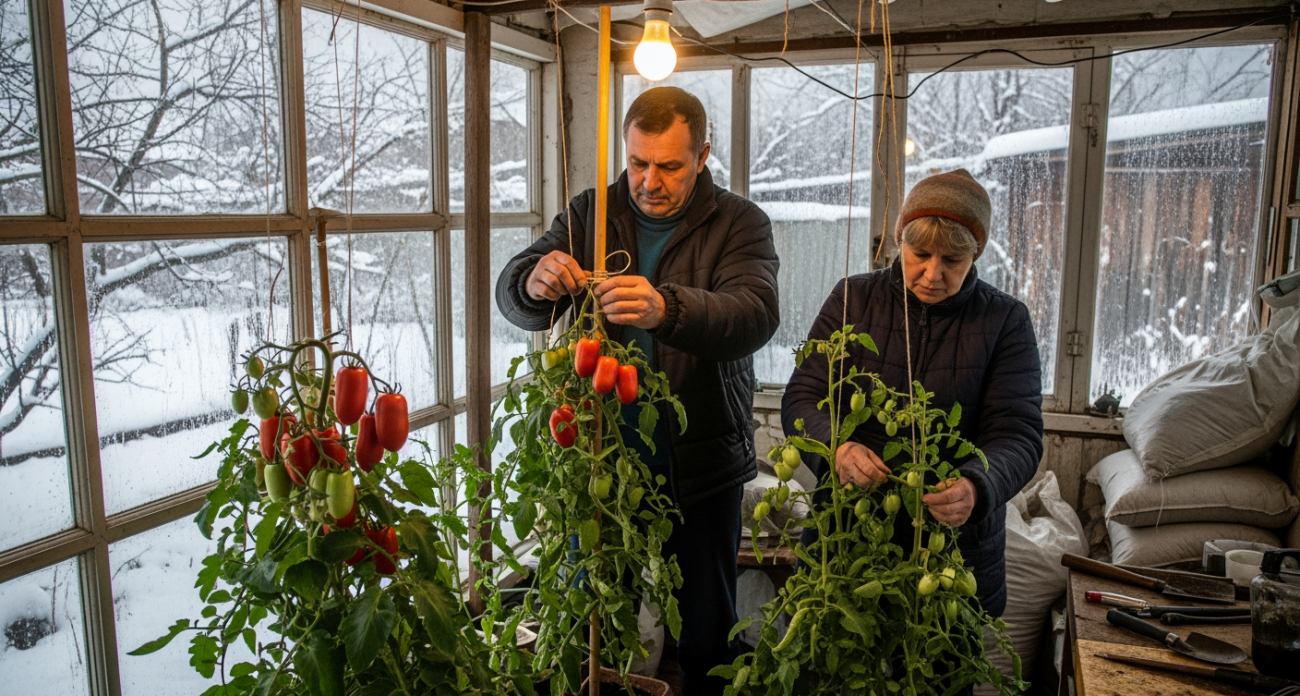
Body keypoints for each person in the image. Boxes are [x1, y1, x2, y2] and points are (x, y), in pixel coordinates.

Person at [495, 86, 780, 696]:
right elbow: (513, 293)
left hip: (699, 465)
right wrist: (533, 281)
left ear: (703, 155)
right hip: (598, 463)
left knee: (708, 632)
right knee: (588, 614)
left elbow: (754, 313)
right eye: (637, 163)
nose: (649, 181)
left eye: (669, 166)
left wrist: (666, 307)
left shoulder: (739, 223)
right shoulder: (591, 213)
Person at [782, 168, 1043, 622]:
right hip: (850, 532)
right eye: (919, 254)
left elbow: (1018, 435)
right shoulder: (853, 300)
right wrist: (837, 450)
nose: (932, 273)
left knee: (938, 675)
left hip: (950, 550)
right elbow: (803, 398)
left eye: (952, 261)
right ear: (899, 240)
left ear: (976, 255)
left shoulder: (1004, 321)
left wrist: (977, 487)